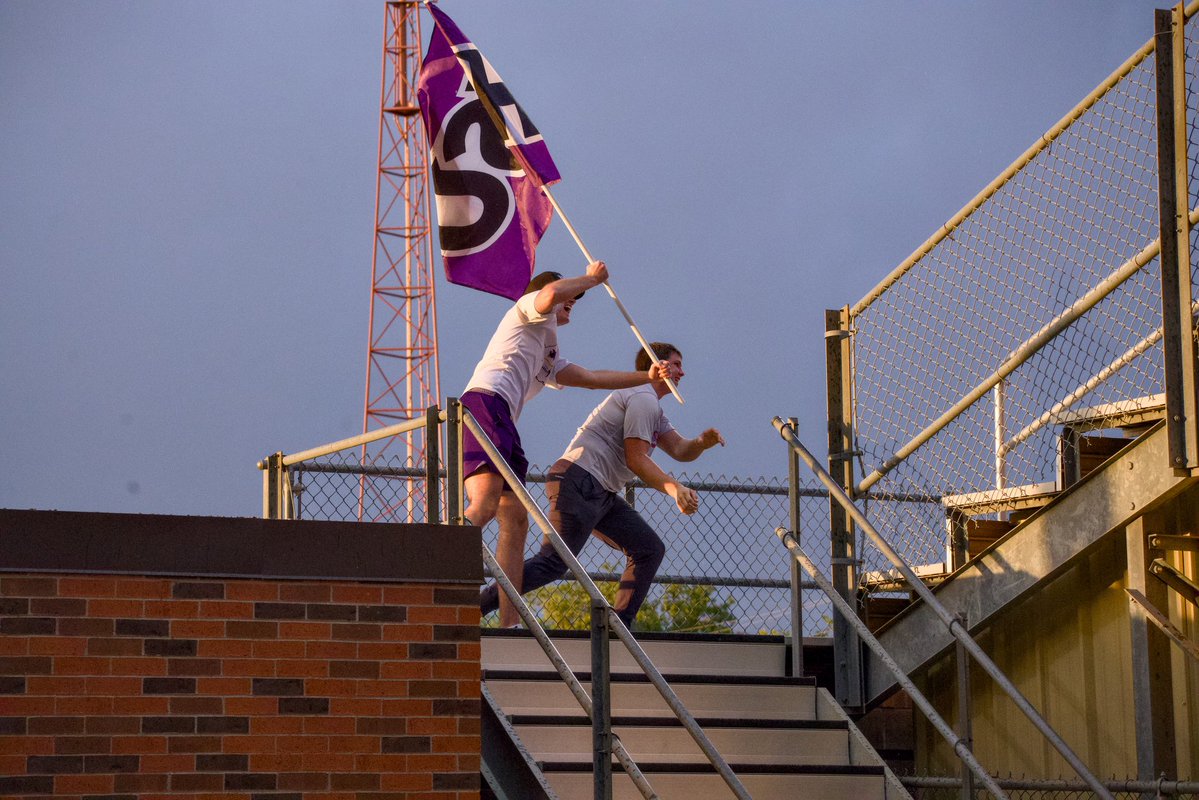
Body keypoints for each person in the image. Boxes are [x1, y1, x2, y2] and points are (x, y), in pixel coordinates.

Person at [461, 260, 669, 628]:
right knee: (486, 503)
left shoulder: (549, 347)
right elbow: (552, 293)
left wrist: (646, 376)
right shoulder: (526, 312)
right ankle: (434, 566)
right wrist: (590, 279)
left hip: (505, 419)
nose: (573, 300)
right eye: (570, 296)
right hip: (486, 402)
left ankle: (509, 623)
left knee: (516, 519)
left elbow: (589, 378)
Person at [479, 341, 725, 629]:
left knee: (648, 548)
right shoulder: (642, 397)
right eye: (676, 364)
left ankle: (617, 625)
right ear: (656, 366)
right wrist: (675, 489)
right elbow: (636, 458)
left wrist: (701, 443)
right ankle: (475, 606)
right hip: (579, 481)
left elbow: (681, 449)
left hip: (600, 492)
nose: (682, 372)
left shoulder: (653, 410)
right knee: (553, 562)